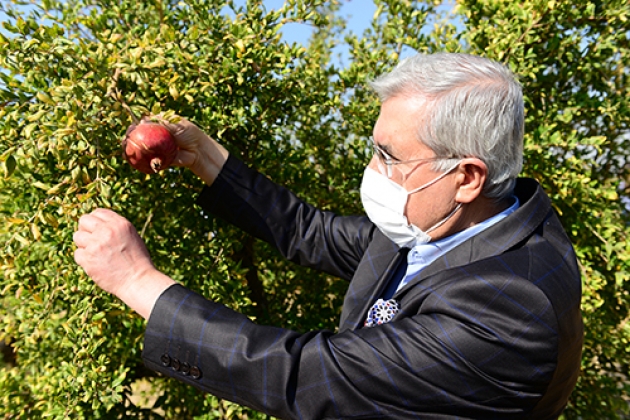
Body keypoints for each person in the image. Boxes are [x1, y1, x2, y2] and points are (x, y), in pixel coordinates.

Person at [73, 53, 583, 419]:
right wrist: (204, 157)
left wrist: (136, 281)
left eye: (389, 156)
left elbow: (307, 375)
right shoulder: (442, 224)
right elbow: (307, 230)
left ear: (467, 177)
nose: (373, 171)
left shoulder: (509, 308)